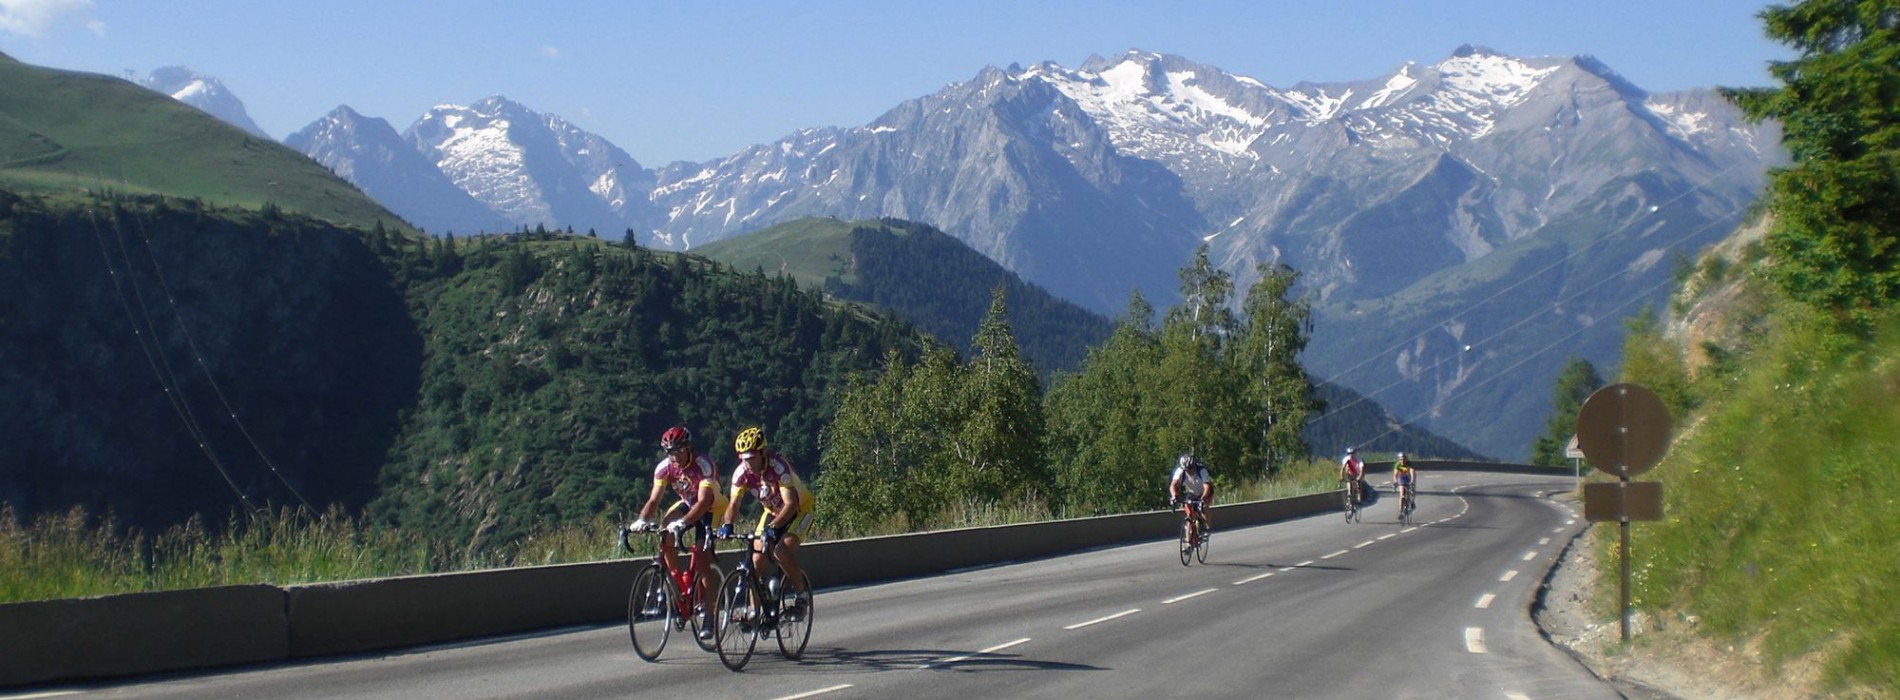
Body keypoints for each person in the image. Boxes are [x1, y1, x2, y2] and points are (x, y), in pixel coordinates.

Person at [629, 425, 728, 638]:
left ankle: (710, 614)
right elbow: (654, 499)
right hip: (687, 502)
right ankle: (678, 589)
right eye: (670, 452)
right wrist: (642, 519)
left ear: (688, 448)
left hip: (711, 507)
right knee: (666, 530)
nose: (674, 456)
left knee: (701, 557)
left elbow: (703, 502)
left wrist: (683, 523)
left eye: (678, 451)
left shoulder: (703, 465)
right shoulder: (664, 468)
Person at [718, 426, 815, 603]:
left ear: (762, 452)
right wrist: (727, 524)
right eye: (743, 459)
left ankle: (801, 595)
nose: (747, 463)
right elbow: (734, 504)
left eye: (751, 458)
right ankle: (755, 612)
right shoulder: (741, 473)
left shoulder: (778, 467)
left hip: (800, 510)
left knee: (780, 551)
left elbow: (791, 504)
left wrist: (772, 527)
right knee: (755, 560)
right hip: (772, 512)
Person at [1168, 452, 1214, 545]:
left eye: (1190, 469)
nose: (1189, 471)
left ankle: (1206, 528)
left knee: (1204, 507)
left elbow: (1207, 487)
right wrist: (1174, 496)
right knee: (1190, 515)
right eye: (1186, 470)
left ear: (1194, 465)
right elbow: (1173, 485)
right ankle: (1189, 543)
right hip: (1191, 493)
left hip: (1204, 492)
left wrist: (1203, 498)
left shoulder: (1202, 470)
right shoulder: (1180, 471)